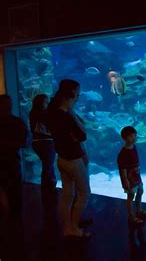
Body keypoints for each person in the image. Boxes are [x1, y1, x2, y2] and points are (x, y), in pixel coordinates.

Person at [47, 79, 91, 239]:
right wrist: (72, 115)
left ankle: (67, 227)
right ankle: (74, 228)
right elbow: (82, 135)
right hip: (73, 159)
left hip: (62, 159)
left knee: (67, 194)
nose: (77, 98)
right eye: (76, 95)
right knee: (84, 193)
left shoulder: (52, 113)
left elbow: (75, 136)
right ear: (67, 97)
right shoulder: (65, 115)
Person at [117, 126, 146, 225]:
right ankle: (131, 217)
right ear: (124, 138)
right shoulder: (123, 153)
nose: (135, 138)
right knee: (130, 196)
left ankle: (139, 210)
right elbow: (122, 169)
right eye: (131, 136)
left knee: (140, 192)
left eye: (135, 136)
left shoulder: (134, 147)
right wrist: (125, 181)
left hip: (137, 176)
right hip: (129, 179)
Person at [0, 94, 28, 218]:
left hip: (9, 162)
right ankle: (15, 219)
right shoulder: (17, 122)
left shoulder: (17, 122)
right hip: (11, 161)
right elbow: (24, 143)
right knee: (14, 192)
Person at [29, 94, 56, 192]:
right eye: (46, 102)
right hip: (46, 142)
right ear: (39, 103)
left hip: (39, 143)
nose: (48, 104)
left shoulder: (33, 113)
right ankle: (47, 188)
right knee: (48, 166)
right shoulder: (41, 114)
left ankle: (50, 185)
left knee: (48, 165)